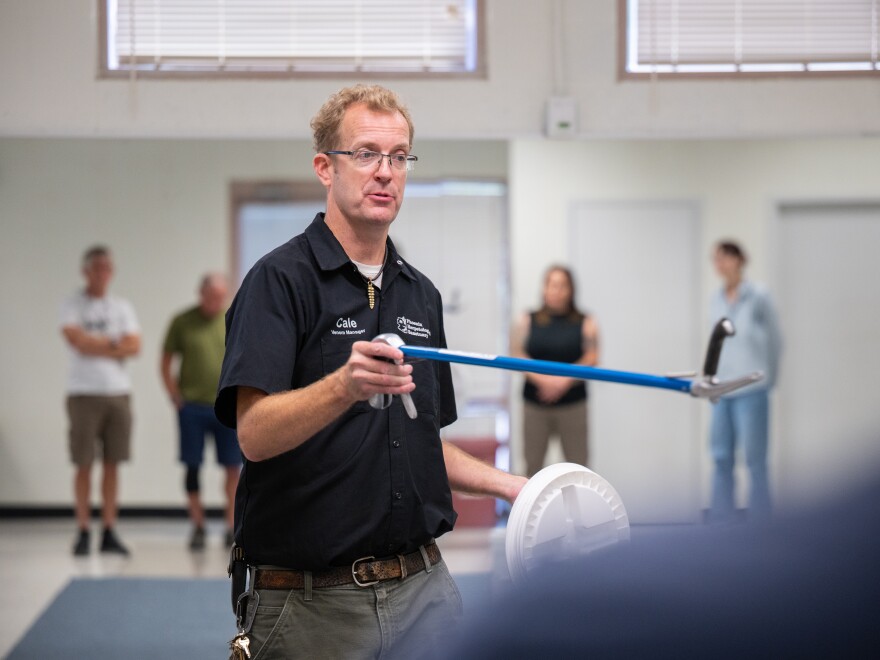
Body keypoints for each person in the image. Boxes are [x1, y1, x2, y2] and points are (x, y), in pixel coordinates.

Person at [214, 84, 527, 659]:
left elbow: (421, 443)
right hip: (311, 606)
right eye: (364, 153)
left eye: (399, 155)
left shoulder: (420, 295)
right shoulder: (279, 282)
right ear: (325, 168)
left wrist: (516, 487)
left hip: (425, 591)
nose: (384, 171)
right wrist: (343, 386)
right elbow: (254, 435)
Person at [60, 245, 141, 556]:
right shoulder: (73, 305)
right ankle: (83, 529)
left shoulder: (122, 307)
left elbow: (135, 345)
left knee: (113, 464)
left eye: (107, 268)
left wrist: (97, 343)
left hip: (118, 393)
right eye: (97, 268)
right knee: (83, 463)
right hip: (83, 393)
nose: (103, 273)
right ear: (86, 271)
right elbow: (75, 340)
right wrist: (113, 342)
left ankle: (109, 529)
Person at [160, 273, 240, 551]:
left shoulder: (232, 319)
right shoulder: (182, 322)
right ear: (200, 294)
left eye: (221, 297)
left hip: (226, 407)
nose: (215, 302)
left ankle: (231, 526)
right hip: (192, 408)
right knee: (193, 466)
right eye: (211, 297)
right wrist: (175, 396)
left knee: (233, 468)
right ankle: (198, 525)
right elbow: (166, 360)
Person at [708, 240, 782, 522]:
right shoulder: (715, 299)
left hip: (751, 389)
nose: (721, 264)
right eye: (716, 259)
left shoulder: (759, 295)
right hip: (721, 389)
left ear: (739, 260)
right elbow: (715, 344)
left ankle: (762, 526)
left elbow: (776, 340)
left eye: (725, 257)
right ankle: (720, 525)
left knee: (755, 461)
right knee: (720, 458)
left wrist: (770, 378)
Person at [511, 265, 599, 477]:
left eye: (562, 286)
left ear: (571, 290)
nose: (556, 291)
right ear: (544, 288)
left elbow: (592, 356)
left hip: (573, 405)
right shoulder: (527, 320)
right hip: (535, 405)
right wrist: (543, 380)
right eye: (551, 285)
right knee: (532, 467)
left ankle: (580, 511)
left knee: (579, 468)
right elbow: (515, 352)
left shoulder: (586, 322)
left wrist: (563, 382)